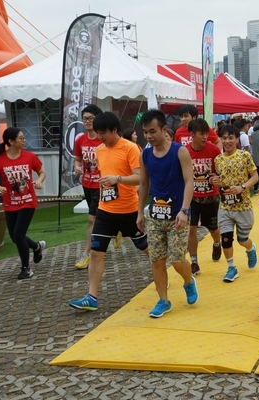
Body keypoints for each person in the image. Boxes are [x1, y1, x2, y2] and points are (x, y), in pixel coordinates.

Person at [68, 112, 148, 311]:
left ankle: (163, 271)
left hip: (128, 210)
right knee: (96, 252)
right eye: (98, 132)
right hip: (105, 210)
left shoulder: (130, 148)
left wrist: (117, 179)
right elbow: (104, 176)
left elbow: (140, 178)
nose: (100, 136)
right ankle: (91, 297)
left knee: (146, 248)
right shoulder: (99, 150)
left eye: (103, 132)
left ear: (114, 130)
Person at [136, 109, 198, 318]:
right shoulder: (145, 155)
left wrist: (184, 210)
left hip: (178, 216)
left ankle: (188, 281)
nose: (149, 136)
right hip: (155, 216)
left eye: (152, 131)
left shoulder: (179, 152)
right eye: (145, 132)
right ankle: (163, 300)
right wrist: (140, 213)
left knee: (177, 259)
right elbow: (144, 184)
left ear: (164, 129)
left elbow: (189, 181)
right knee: (157, 260)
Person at [0, 127, 47, 280]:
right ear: (11, 141)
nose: (24, 140)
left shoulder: (30, 156)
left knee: (19, 234)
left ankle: (26, 268)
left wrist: (39, 181)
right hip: (10, 203)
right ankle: (36, 246)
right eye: (21, 138)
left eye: (24, 137)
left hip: (28, 201)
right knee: (15, 237)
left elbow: (42, 172)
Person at [211, 125, 259, 282]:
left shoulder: (244, 156)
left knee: (242, 240)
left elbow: (255, 177)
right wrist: (215, 181)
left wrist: (242, 187)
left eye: (230, 138)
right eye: (224, 138)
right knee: (225, 238)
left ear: (237, 139)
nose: (227, 141)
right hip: (225, 206)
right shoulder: (218, 160)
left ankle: (250, 249)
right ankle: (231, 267)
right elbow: (219, 179)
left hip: (243, 206)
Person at [73, 104, 115, 270]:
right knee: (103, 216)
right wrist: (77, 167)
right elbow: (78, 159)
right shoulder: (80, 140)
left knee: (92, 219)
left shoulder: (103, 139)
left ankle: (87, 254)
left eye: (91, 118)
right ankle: (116, 230)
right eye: (85, 118)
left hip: (102, 184)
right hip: (87, 184)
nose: (88, 121)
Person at [186, 118, 223, 275]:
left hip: (211, 197)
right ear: (192, 134)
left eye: (206, 133)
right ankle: (194, 262)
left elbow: (221, 173)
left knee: (213, 229)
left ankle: (217, 243)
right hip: (192, 198)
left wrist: (217, 178)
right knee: (191, 229)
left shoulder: (214, 150)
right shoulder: (185, 151)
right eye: (201, 134)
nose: (205, 137)